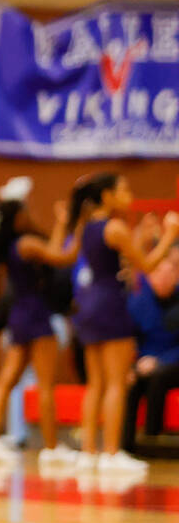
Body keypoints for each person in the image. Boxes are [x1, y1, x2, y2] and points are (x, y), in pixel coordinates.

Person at [68, 173, 179, 473]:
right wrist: (169, 234)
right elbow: (146, 266)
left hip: (89, 305)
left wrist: (140, 238)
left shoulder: (87, 226)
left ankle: (89, 452)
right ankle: (111, 453)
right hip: (110, 304)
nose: (130, 195)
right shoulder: (115, 226)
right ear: (107, 196)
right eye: (124, 190)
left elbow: (121, 260)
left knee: (95, 384)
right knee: (116, 382)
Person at [0, 179, 81, 465]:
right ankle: (51, 446)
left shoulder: (12, 246)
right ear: (18, 217)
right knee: (45, 384)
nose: (30, 215)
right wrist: (80, 228)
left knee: (6, 380)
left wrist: (62, 225)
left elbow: (52, 251)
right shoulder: (26, 243)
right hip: (36, 314)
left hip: (19, 315)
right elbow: (64, 256)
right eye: (26, 211)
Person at [123, 245, 179, 454]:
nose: (163, 279)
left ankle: (152, 440)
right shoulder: (138, 302)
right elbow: (129, 339)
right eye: (157, 273)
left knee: (158, 378)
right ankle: (124, 445)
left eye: (168, 273)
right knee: (132, 384)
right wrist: (129, 367)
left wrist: (160, 361)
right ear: (149, 277)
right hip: (144, 362)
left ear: (175, 276)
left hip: (173, 363)